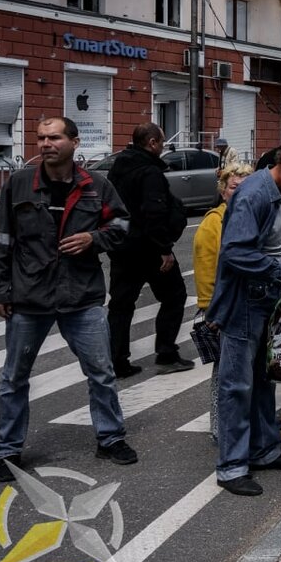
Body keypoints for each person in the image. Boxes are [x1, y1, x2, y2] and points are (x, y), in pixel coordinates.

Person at [0, 117, 137, 481]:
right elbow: (1, 241)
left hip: (81, 296)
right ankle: (8, 450)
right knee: (13, 378)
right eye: (40, 138)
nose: (45, 144)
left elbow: (121, 226)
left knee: (101, 373)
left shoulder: (95, 185)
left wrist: (93, 240)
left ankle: (110, 437)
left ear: (74, 142)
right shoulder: (20, 183)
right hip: (29, 297)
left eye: (54, 137)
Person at [208, 143, 281, 496]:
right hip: (246, 300)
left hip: (267, 297)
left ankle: (264, 450)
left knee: (264, 378)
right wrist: (280, 268)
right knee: (237, 385)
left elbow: (279, 241)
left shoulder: (280, 194)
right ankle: (231, 467)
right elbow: (235, 253)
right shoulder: (255, 195)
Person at [106, 122, 191, 378]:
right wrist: (164, 249)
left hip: (122, 247)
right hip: (150, 249)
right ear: (152, 143)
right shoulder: (149, 172)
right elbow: (154, 212)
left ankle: (116, 361)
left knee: (121, 305)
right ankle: (166, 354)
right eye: (162, 142)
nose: (163, 147)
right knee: (175, 296)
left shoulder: (118, 168)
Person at [193, 162, 254, 442]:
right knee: (224, 373)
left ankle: (249, 420)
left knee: (248, 371)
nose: (238, 192)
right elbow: (206, 269)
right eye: (233, 187)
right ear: (223, 191)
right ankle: (220, 428)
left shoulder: (249, 216)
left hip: (247, 306)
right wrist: (210, 309)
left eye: (244, 187)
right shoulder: (213, 223)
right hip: (223, 309)